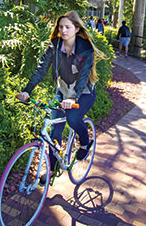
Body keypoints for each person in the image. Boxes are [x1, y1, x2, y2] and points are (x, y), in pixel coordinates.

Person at [17, 11, 105, 182]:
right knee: (54, 132)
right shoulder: (55, 45)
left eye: (67, 27)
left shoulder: (85, 48)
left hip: (84, 92)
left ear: (77, 28)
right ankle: (51, 170)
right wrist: (27, 90)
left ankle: (85, 142)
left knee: (72, 118)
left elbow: (84, 76)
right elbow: (41, 69)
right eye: (60, 27)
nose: (63, 30)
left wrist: (73, 99)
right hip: (63, 90)